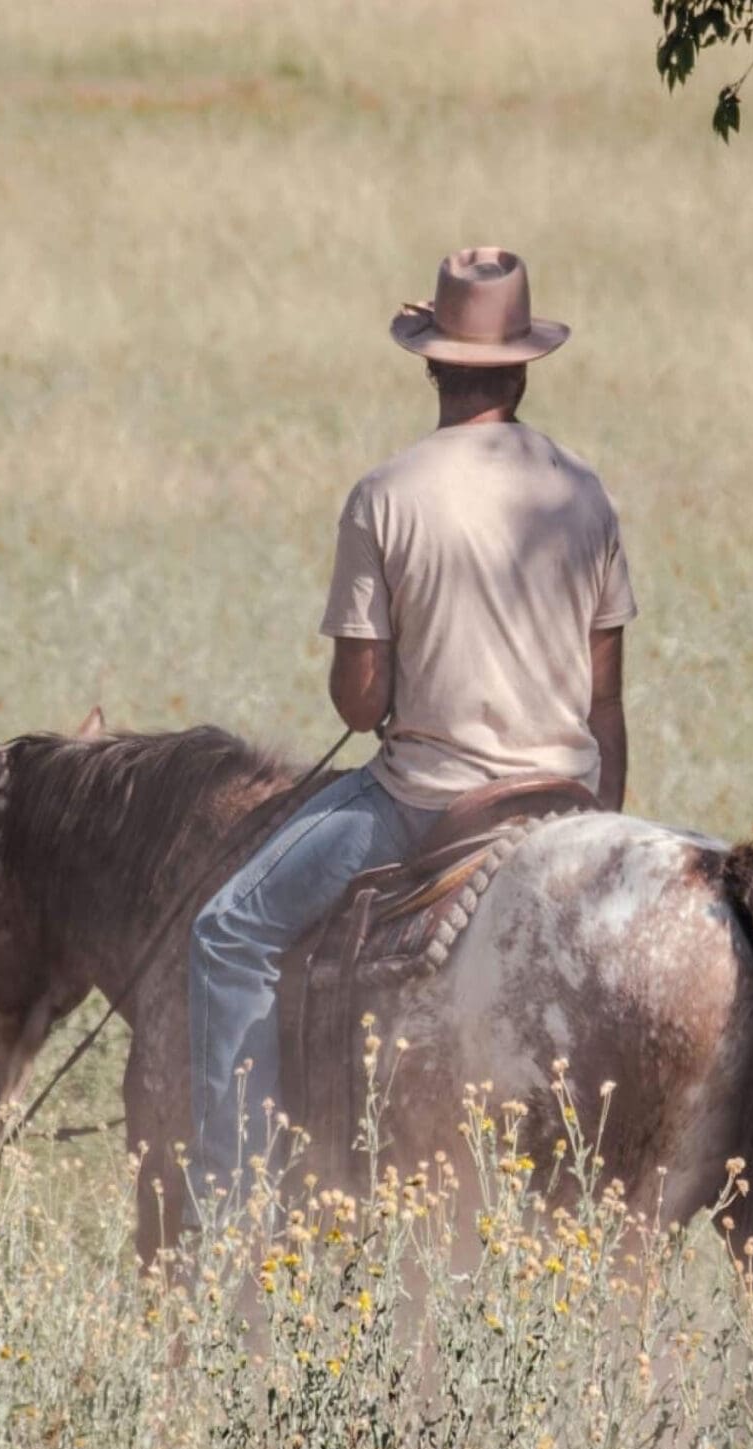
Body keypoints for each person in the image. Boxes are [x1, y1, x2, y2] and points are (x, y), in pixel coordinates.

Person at [187, 246, 638, 1195]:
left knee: (228, 934)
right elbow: (607, 701)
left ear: (431, 363)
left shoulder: (386, 496)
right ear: (522, 369)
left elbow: (357, 705)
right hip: (564, 800)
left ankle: (235, 1215)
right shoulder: (581, 494)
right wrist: (600, 828)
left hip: (428, 805)